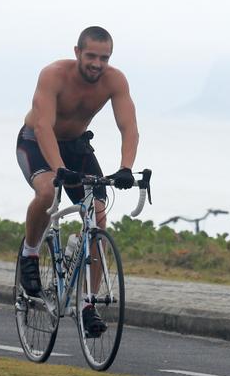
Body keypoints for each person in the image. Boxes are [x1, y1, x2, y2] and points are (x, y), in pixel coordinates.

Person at [15, 26, 139, 337]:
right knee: (46, 192)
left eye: (104, 57)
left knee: (98, 217)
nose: (98, 63)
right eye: (91, 56)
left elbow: (129, 127)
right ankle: (30, 254)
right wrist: (58, 169)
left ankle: (87, 304)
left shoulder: (115, 80)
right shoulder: (53, 75)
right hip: (37, 141)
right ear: (77, 52)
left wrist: (126, 167)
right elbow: (43, 126)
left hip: (77, 146)